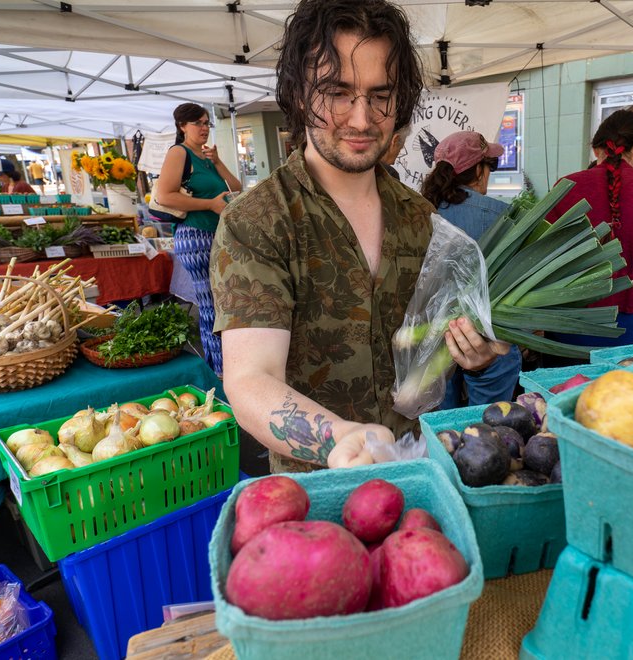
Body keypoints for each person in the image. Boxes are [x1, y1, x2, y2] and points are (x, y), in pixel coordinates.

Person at [209, 0, 506, 471]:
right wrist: (338, 439)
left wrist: (474, 354)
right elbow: (249, 378)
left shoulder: (420, 218)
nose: (363, 119)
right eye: (338, 93)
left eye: (380, 95)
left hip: (416, 472)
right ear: (301, 94)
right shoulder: (259, 221)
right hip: (315, 492)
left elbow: (430, 349)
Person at [543, 109, 633, 365]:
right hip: (626, 332)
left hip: (565, 331)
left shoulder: (565, 186)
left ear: (596, 149)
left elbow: (545, 260)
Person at [421, 130, 522, 409]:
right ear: (478, 169)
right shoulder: (503, 217)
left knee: (444, 425)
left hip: (433, 339)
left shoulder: (422, 212)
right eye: (490, 165)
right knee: (488, 420)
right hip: (490, 341)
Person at [154, 102, 242, 377]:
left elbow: (235, 189)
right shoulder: (179, 153)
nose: (204, 128)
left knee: (224, 303)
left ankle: (229, 366)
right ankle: (218, 370)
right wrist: (209, 205)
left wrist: (217, 162)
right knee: (210, 304)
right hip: (196, 237)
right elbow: (165, 195)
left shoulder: (204, 156)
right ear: (182, 126)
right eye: (198, 123)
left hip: (218, 236)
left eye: (207, 123)